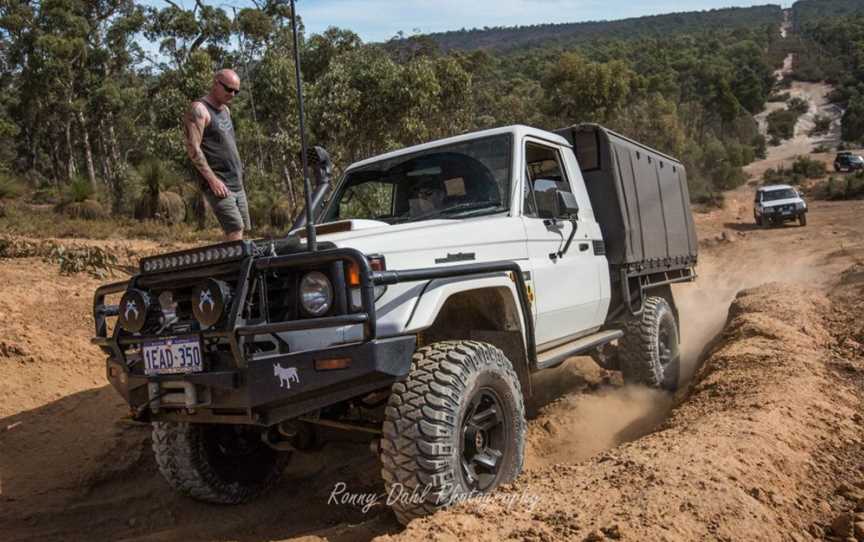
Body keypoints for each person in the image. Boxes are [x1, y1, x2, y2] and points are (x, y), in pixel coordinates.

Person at [183, 69, 250, 240]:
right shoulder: (199, 110)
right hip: (219, 183)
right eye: (228, 89)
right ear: (216, 83)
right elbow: (193, 148)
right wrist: (212, 180)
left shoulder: (226, 110)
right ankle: (234, 267)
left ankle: (239, 264)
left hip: (236, 182)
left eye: (236, 91)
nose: (232, 94)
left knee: (243, 229)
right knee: (235, 229)